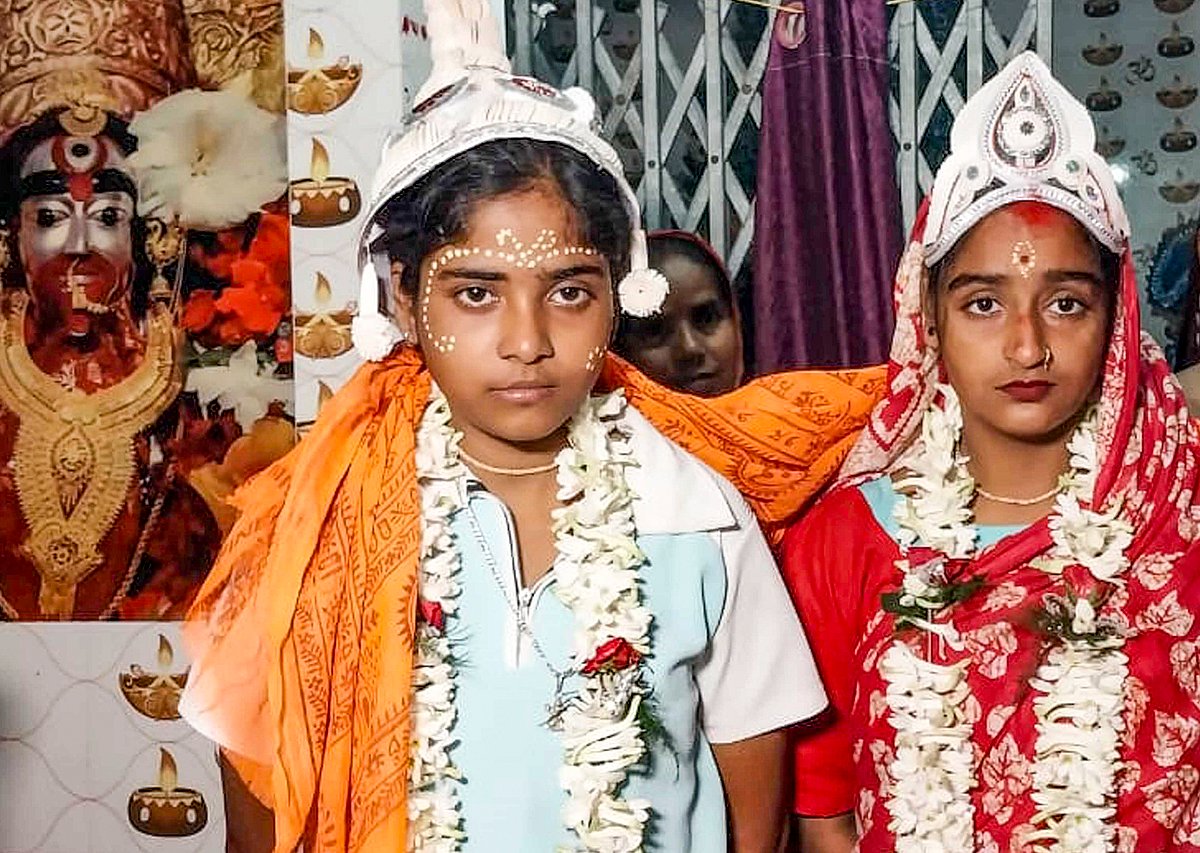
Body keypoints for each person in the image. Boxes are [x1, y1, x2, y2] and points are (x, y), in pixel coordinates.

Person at [179, 2, 882, 852]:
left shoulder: (698, 511)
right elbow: (257, 790)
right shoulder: (313, 528)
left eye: (570, 291)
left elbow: (754, 814)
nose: (528, 341)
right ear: (403, 298)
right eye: (476, 293)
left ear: (619, 295)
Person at [784, 52, 1200, 852]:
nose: (1026, 345)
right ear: (929, 316)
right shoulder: (844, 542)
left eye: (1066, 303)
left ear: (1116, 320)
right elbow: (825, 809)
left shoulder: (1176, 514)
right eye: (983, 303)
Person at [614, 229, 746, 396]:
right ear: (618, 350)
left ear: (735, 318)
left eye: (707, 319)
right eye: (655, 331)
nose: (690, 348)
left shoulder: (777, 406)